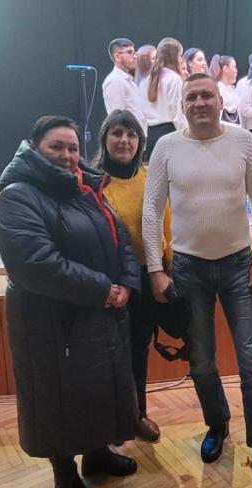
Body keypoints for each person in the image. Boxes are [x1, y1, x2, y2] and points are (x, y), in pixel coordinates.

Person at [143, 73, 252, 488]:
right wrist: (155, 269)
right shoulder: (166, 146)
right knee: (201, 361)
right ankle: (217, 424)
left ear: (221, 101)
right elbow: (151, 210)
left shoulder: (243, 140)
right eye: (192, 97)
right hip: (188, 270)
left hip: (239, 265)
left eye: (207, 95)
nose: (200, 102)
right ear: (182, 104)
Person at [0, 116, 141, 488]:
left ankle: (97, 453)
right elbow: (36, 264)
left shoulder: (83, 187)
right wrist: (104, 290)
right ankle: (64, 472)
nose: (66, 155)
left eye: (72, 148)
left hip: (95, 312)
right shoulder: (18, 196)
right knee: (56, 396)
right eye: (56, 147)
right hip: (49, 322)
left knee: (95, 387)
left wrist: (127, 282)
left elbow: (119, 235)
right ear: (35, 147)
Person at [94, 110, 173, 444]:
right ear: (105, 139)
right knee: (105, 355)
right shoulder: (91, 181)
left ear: (140, 141)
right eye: (117, 133)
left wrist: (167, 272)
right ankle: (108, 425)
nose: (124, 140)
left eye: (131, 134)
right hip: (106, 283)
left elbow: (166, 225)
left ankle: (137, 415)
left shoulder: (151, 177)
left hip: (145, 276)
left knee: (138, 351)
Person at [139, 37, 187, 161]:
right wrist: (187, 138)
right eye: (180, 55)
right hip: (170, 135)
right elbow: (178, 114)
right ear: (174, 56)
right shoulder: (174, 79)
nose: (181, 59)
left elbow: (141, 115)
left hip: (151, 136)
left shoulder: (146, 81)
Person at [102, 38, 147, 131]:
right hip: (128, 135)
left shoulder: (129, 80)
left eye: (134, 52)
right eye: (129, 52)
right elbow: (117, 118)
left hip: (138, 134)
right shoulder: (114, 81)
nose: (135, 56)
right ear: (117, 57)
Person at [209, 54, 240, 124]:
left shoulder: (232, 89)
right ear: (226, 69)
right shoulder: (218, 89)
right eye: (234, 67)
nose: (236, 71)